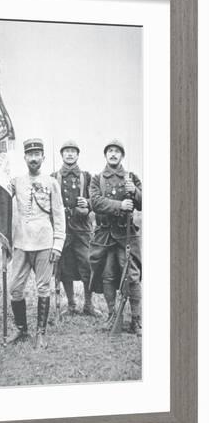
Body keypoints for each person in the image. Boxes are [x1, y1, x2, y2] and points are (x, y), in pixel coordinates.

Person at [9, 138, 66, 348]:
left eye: (37, 154)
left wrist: (58, 244)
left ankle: (40, 333)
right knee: (15, 288)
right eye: (30, 154)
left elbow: (59, 215)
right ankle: (21, 330)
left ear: (43, 157)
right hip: (22, 242)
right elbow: (1, 196)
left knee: (43, 288)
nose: (33, 158)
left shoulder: (52, 183)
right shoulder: (17, 181)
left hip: (44, 241)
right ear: (24, 157)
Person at [89, 139, 142, 335]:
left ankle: (136, 320)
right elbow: (95, 202)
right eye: (110, 151)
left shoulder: (131, 178)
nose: (113, 154)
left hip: (126, 235)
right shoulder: (97, 179)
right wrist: (120, 205)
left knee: (132, 277)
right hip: (104, 236)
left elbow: (144, 202)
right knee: (107, 275)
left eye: (117, 151)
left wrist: (134, 192)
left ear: (122, 156)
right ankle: (112, 315)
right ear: (105, 155)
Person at [51, 140, 101, 317]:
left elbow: (97, 199)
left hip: (82, 229)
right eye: (67, 151)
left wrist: (87, 203)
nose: (70, 154)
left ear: (78, 155)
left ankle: (88, 304)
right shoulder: (53, 176)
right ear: (62, 155)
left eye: (73, 151)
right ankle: (71, 304)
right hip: (62, 229)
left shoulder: (87, 177)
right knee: (64, 267)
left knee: (87, 264)